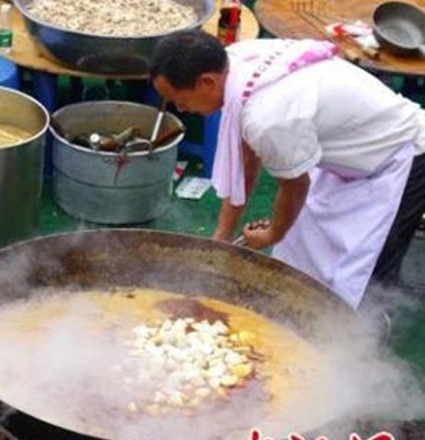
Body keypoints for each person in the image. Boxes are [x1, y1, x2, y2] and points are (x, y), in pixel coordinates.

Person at [150, 31, 425, 309]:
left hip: (401, 156)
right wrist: (223, 238)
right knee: (306, 251)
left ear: (206, 82)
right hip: (348, 153)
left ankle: (368, 340)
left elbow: (295, 187)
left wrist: (272, 234)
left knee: (364, 277)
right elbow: (245, 159)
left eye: (178, 99)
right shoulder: (236, 62)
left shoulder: (268, 118)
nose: (181, 109)